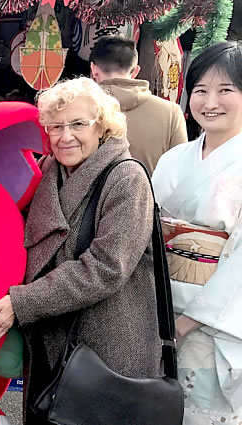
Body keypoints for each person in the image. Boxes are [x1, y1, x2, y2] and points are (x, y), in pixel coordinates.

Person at [0, 77, 161, 423]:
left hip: (105, 345)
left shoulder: (126, 178)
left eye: (78, 124)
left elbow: (106, 267)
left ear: (102, 126)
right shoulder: (48, 169)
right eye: (56, 126)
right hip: (49, 337)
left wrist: (23, 301)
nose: (65, 136)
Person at [151, 41, 242, 425]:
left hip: (216, 319)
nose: (210, 102)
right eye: (201, 90)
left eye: (226, 90)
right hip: (158, 310)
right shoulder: (175, 158)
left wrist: (190, 320)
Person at [90, 35, 187, 173]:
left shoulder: (77, 108)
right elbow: (181, 171)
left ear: (93, 69)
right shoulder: (171, 112)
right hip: (151, 187)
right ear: (135, 71)